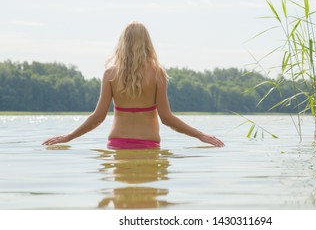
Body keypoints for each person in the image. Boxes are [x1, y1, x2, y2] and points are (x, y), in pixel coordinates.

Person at [42, 22, 224, 149]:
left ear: (123, 42)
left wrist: (69, 137)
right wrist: (201, 135)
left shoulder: (110, 74)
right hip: (149, 145)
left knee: (121, 201)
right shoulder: (157, 73)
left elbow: (98, 117)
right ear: (147, 43)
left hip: (117, 145)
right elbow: (167, 118)